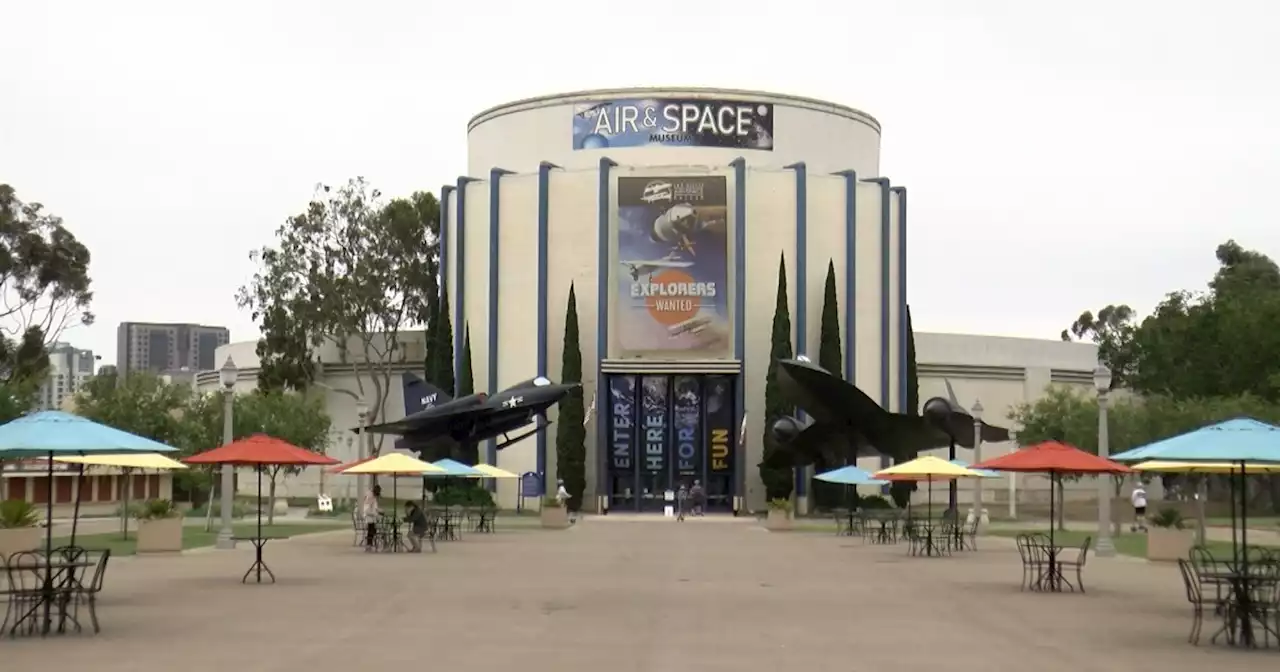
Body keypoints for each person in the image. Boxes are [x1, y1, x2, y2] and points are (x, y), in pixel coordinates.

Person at [361, 484, 382, 551]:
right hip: (369, 516)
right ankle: (369, 545)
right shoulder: (370, 496)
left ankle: (370, 544)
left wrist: (378, 511)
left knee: (372, 530)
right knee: (371, 530)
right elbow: (367, 509)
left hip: (372, 516)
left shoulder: (373, 496)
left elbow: (374, 507)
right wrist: (375, 514)